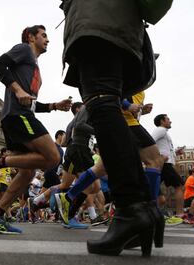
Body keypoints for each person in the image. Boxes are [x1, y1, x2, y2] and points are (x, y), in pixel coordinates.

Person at [60, 0, 162, 256]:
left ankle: (131, 209)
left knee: (101, 103)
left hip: (97, 21)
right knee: (107, 103)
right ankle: (145, 210)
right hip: (119, 25)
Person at [0, 25, 72, 234]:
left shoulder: (33, 64)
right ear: (31, 37)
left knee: (27, 173)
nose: (47, 39)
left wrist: (54, 106)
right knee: (53, 157)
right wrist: (18, 89)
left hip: (18, 115)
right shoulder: (24, 50)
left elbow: (30, 102)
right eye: (43, 35)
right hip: (18, 116)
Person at [152, 114, 185, 218]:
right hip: (164, 164)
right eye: (168, 119)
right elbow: (150, 141)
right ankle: (180, 214)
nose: (170, 121)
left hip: (163, 164)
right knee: (179, 186)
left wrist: (175, 152)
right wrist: (158, 156)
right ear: (162, 121)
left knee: (156, 191)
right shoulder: (160, 130)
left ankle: (153, 214)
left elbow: (163, 148)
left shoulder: (164, 133)